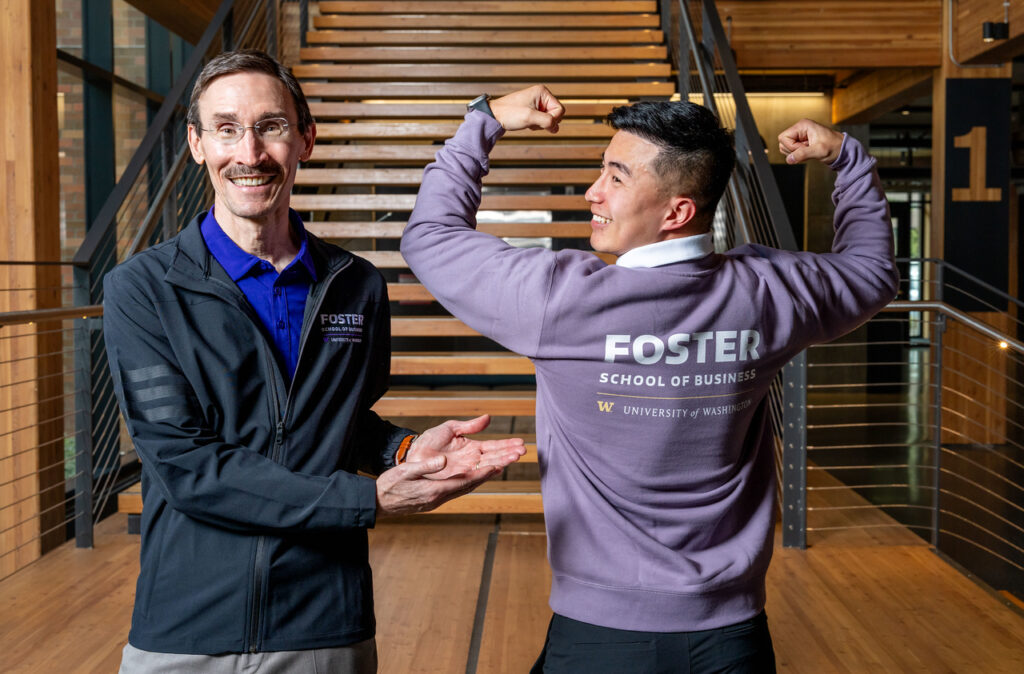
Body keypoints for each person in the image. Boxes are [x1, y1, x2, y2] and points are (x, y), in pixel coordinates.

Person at [401, 87, 899, 672]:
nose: (594, 192)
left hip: (600, 636)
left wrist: (483, 122)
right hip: (733, 636)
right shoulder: (770, 293)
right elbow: (872, 273)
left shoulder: (558, 299)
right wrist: (848, 159)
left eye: (615, 177)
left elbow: (429, 236)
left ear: (676, 212)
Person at [103, 49, 525, 673]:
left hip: (325, 621)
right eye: (225, 129)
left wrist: (405, 451)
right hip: (188, 628)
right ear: (196, 145)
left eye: (270, 127)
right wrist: (372, 501)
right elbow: (186, 465)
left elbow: (339, 422)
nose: (248, 154)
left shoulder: (356, 285)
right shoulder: (143, 289)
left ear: (306, 138)